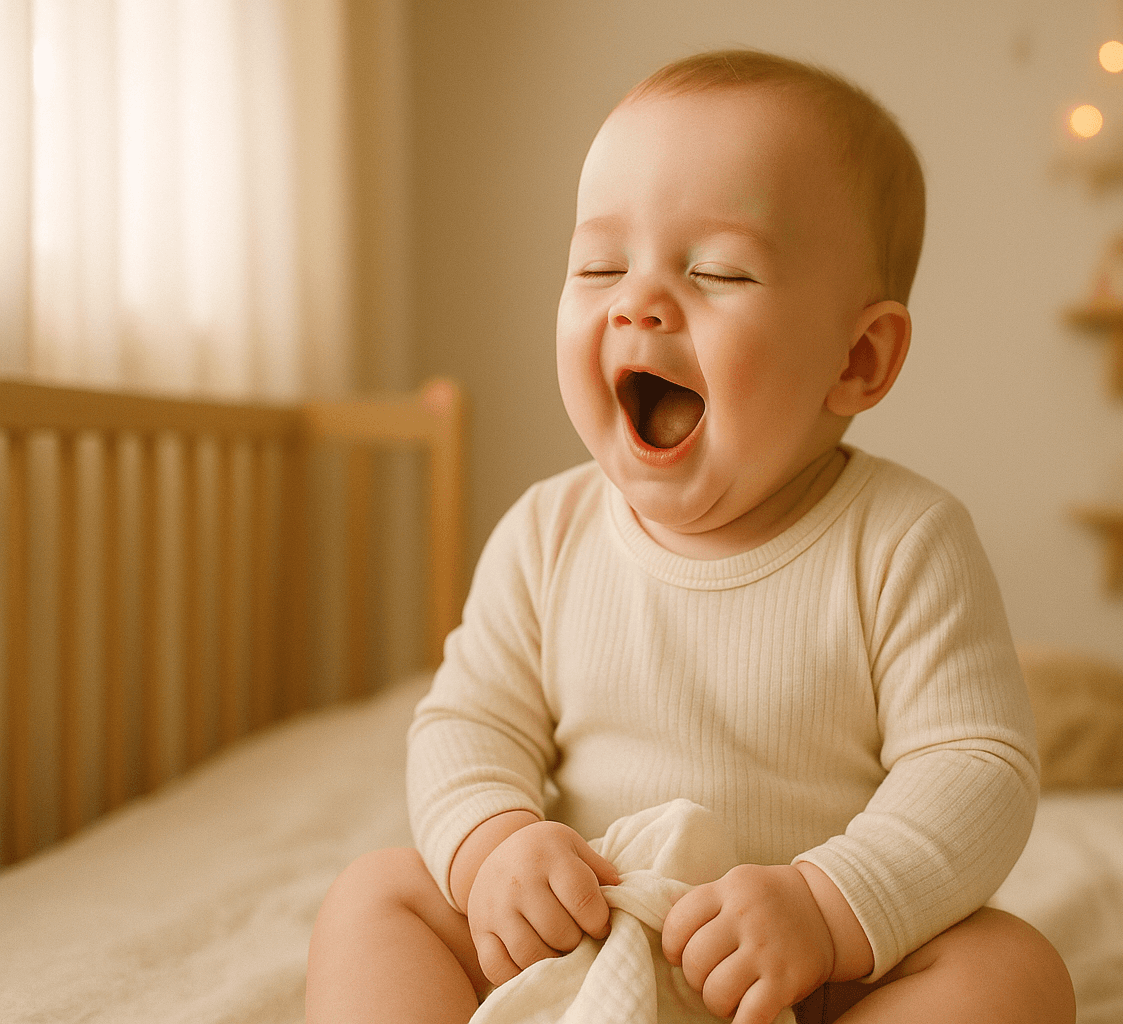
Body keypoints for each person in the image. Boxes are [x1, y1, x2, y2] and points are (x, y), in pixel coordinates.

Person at [306, 49, 1074, 1024]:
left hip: (800, 972)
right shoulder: (548, 532)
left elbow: (976, 767)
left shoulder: (904, 541)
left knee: (1012, 969)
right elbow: (468, 723)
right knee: (379, 893)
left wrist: (827, 906)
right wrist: (499, 844)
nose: (638, 299)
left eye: (716, 269)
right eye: (599, 264)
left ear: (860, 357)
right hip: (581, 933)